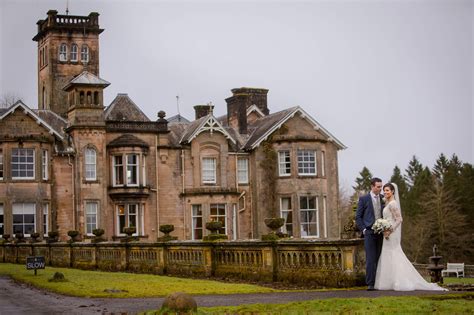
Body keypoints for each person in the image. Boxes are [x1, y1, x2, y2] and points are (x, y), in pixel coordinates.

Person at [374, 183, 446, 291]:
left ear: (393, 191)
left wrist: (390, 230)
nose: (385, 192)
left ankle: (400, 281)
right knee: (387, 255)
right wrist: (383, 227)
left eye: (387, 190)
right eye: (384, 190)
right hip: (386, 233)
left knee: (395, 255)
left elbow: (399, 219)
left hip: (391, 234)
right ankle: (389, 282)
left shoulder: (393, 204)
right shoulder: (387, 203)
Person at [355, 177, 384, 291]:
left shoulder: (383, 198)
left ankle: (379, 282)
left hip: (381, 233)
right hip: (369, 233)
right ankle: (370, 284)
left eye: (381, 186)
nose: (380, 189)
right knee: (370, 259)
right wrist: (364, 230)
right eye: (378, 187)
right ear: (372, 187)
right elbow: (358, 217)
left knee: (380, 258)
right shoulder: (364, 199)